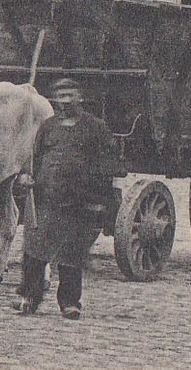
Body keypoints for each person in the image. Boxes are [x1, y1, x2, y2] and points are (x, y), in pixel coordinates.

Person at [11, 78, 119, 319]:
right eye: (61, 95)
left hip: (77, 201)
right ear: (55, 99)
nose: (65, 100)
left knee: (71, 253)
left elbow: (107, 162)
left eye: (70, 95)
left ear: (79, 97)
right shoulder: (48, 128)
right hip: (46, 199)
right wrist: (27, 177)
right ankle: (30, 297)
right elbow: (34, 159)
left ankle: (70, 302)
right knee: (35, 250)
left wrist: (99, 195)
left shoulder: (94, 127)